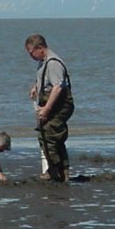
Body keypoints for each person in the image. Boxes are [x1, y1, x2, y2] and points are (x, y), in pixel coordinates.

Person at [25, 34, 74, 182]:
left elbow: (58, 87)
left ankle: (55, 171)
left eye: (31, 53)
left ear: (40, 48)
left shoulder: (53, 63)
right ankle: (61, 172)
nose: (31, 56)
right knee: (51, 137)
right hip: (49, 102)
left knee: (50, 137)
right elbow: (46, 80)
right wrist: (36, 87)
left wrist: (46, 109)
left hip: (58, 105)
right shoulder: (43, 62)